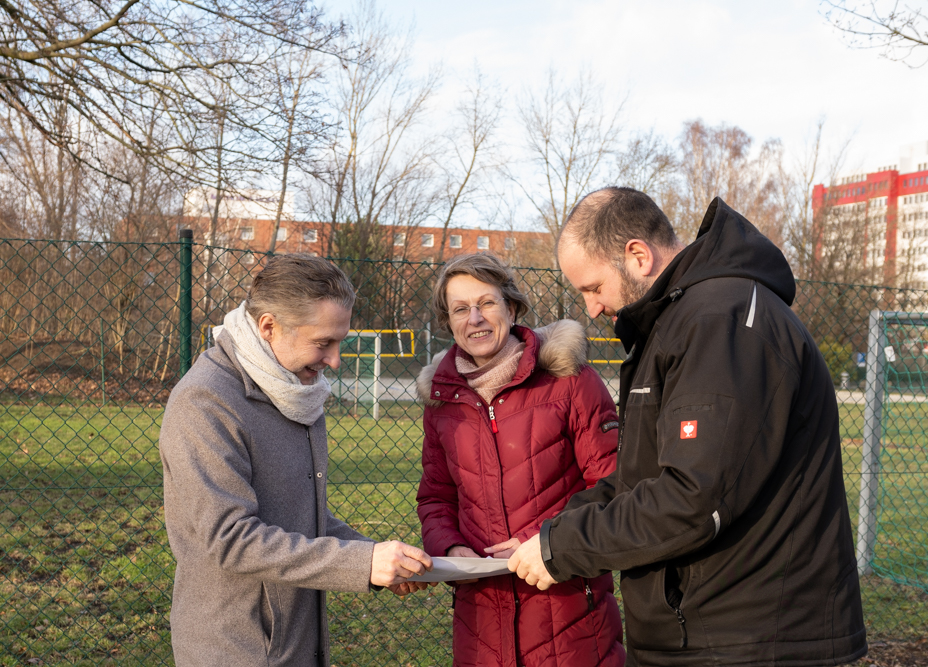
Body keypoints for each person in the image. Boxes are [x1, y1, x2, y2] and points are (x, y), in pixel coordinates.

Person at [509, 189, 868, 666]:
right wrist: (550, 533)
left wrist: (563, 548)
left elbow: (693, 500)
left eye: (593, 288)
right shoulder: (678, 322)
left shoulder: (721, 321)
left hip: (748, 641)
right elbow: (642, 475)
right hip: (705, 633)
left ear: (637, 255)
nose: (591, 309)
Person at [160, 254, 434, 667]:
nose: (335, 360)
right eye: (323, 343)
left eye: (339, 341)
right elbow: (230, 539)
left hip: (296, 641)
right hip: (236, 649)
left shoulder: (293, 390)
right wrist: (362, 563)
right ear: (268, 326)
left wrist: (373, 553)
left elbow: (299, 516)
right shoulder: (206, 401)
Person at [416, 252, 626, 667]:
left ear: (511, 309)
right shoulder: (441, 402)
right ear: (449, 322)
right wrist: (451, 546)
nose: (474, 318)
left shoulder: (570, 380)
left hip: (567, 610)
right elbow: (435, 497)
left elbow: (613, 482)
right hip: (480, 621)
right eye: (460, 309)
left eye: (486, 303)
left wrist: (544, 539)